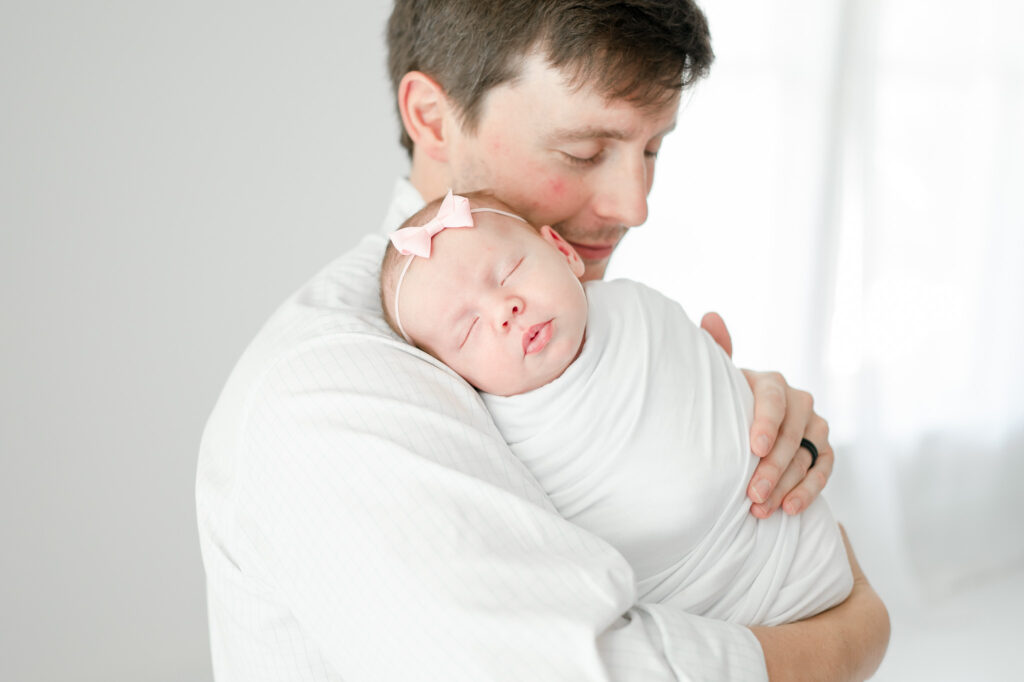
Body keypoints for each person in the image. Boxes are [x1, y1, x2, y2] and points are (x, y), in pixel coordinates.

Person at [197, 1, 889, 680]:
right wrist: (854, 631)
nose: (636, 204)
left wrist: (731, 438)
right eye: (585, 151)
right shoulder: (328, 391)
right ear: (432, 119)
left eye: (653, 147)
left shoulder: (554, 316)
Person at [381, 190, 855, 627]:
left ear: (563, 252)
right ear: (455, 378)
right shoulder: (498, 436)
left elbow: (708, 388)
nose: (504, 309)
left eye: (509, 273)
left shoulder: (637, 306)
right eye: (468, 331)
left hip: (797, 539)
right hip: (700, 611)